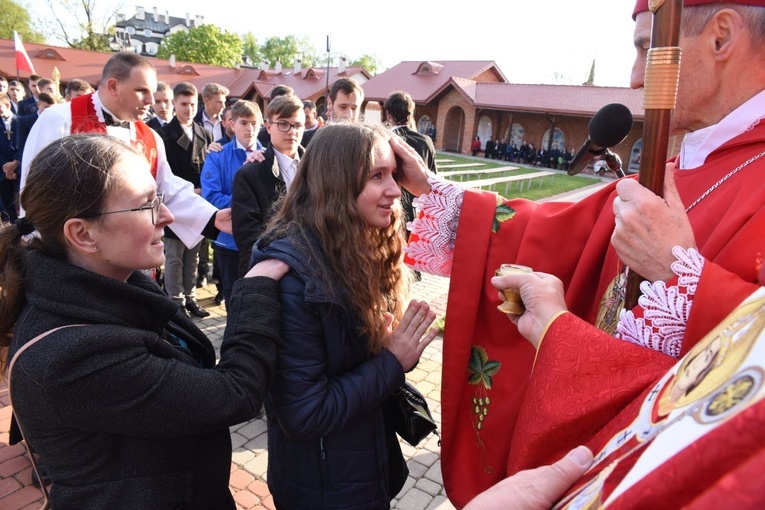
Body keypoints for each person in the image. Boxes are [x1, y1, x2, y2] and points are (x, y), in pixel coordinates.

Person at [391, 1, 765, 504]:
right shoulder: (682, 160)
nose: (635, 79)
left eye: (646, 49)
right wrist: (435, 189)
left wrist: (682, 276)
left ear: (721, 37)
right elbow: (561, 231)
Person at [1, 134, 287, 509]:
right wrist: (254, 288)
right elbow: (233, 394)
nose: (167, 217)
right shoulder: (70, 357)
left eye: (160, 198)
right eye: (146, 206)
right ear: (82, 234)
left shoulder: (117, 284)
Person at [250, 123, 438, 509]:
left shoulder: (356, 246)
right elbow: (303, 414)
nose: (394, 190)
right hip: (321, 488)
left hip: (359, 469)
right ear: (336, 184)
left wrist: (388, 349)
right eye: (376, 176)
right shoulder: (294, 277)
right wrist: (392, 361)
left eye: (393, 175)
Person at [19, 52, 229, 251]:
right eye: (142, 91)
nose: (151, 100)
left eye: (152, 91)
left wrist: (212, 217)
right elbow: (35, 193)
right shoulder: (60, 120)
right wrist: (37, 254)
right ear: (113, 86)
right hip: (72, 253)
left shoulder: (150, 137)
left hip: (128, 249)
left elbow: (166, 188)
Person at [231, 94, 304, 278]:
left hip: (311, 270)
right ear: (269, 126)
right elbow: (247, 236)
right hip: (268, 270)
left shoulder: (316, 168)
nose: (291, 131)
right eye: (283, 124)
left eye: (297, 125)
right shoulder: (250, 174)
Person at [202, 99, 266, 307]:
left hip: (261, 239)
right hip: (228, 240)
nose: (250, 128)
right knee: (232, 294)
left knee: (259, 295)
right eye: (244, 122)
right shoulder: (218, 156)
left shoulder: (268, 156)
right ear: (233, 124)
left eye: (255, 123)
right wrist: (246, 203)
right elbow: (211, 197)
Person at [160, 82, 214, 318]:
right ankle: (175, 302)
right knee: (174, 257)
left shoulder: (206, 133)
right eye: (183, 104)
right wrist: (188, 191)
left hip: (199, 204)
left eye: (193, 104)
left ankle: (190, 297)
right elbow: (164, 173)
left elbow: (209, 168)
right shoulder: (164, 135)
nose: (189, 109)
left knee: (192, 253)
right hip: (176, 202)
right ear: (174, 104)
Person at [0, 92, 19, 223]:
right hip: (2, 171)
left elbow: (24, 144)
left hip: (19, 168)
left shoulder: (21, 121)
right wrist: (6, 167)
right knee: (6, 205)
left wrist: (16, 162)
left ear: (7, 105)